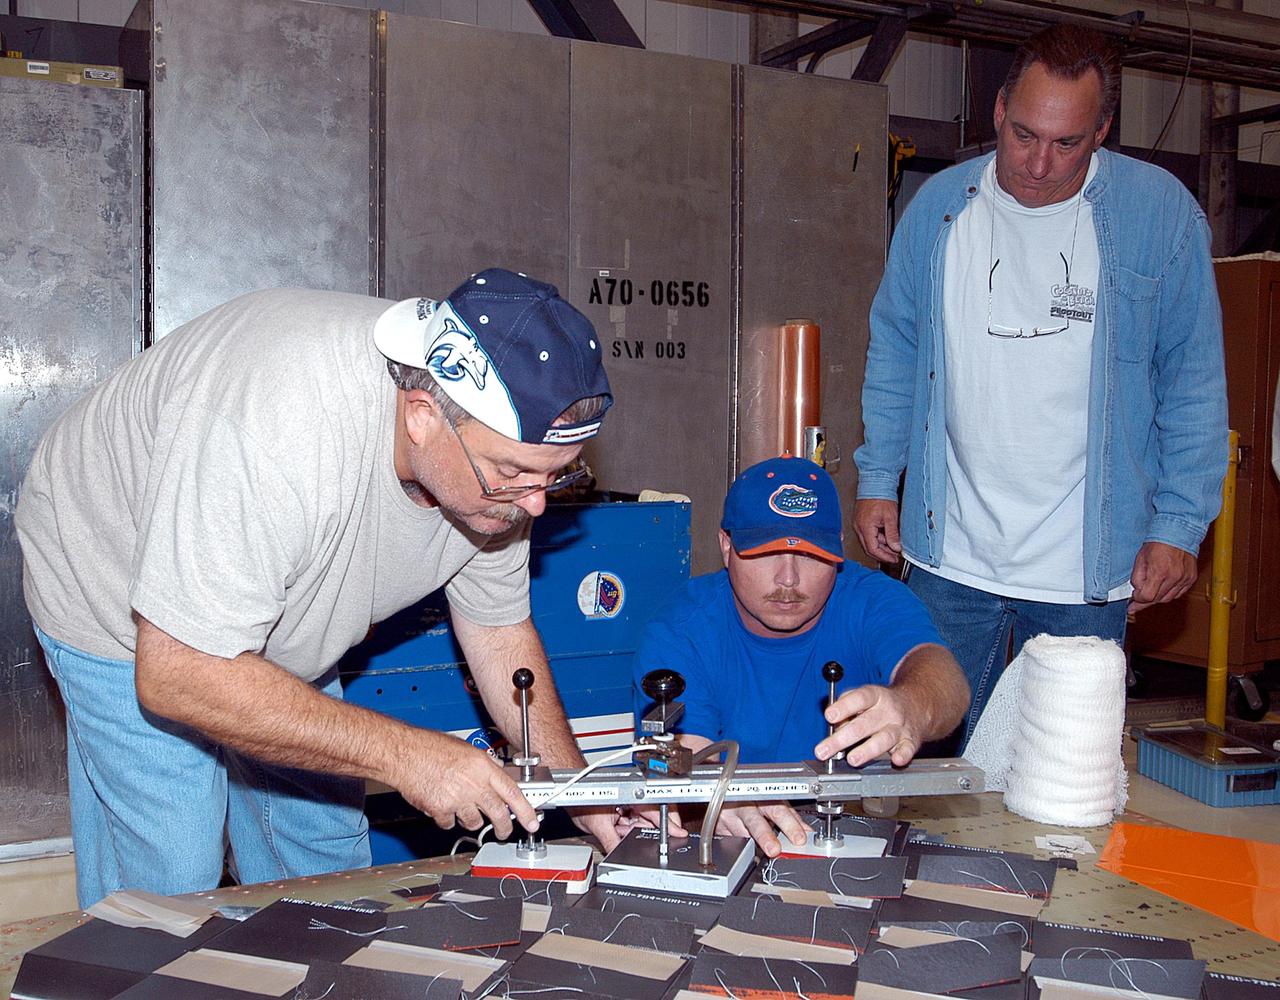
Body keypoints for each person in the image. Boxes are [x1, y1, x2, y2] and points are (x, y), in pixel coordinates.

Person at [17, 268, 622, 907]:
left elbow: (498, 629)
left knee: (327, 858)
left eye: (554, 478)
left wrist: (581, 794)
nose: (534, 506)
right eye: (513, 474)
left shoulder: (498, 465)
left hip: (272, 585)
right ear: (422, 416)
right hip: (114, 586)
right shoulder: (277, 425)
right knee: (172, 871)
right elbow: (180, 672)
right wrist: (412, 756)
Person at [853, 24, 1228, 753]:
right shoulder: (937, 210)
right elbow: (897, 346)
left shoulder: (1160, 217)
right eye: (1024, 135)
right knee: (931, 774)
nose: (1039, 163)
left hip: (1086, 574)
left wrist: (1179, 526)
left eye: (1067, 143)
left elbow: (1192, 381)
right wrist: (878, 477)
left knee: (1063, 785)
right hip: (948, 559)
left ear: (1103, 132)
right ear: (998, 110)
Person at [621, 455, 970, 856]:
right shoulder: (679, 631)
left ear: (839, 550)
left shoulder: (872, 600)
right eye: (766, 552)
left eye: (810, 554)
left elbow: (944, 679)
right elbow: (687, 766)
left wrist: (912, 704)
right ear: (726, 546)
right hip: (731, 844)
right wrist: (717, 795)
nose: (788, 579)